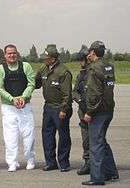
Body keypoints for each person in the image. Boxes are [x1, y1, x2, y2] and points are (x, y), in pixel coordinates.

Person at [82, 41, 119, 186]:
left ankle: (97, 178)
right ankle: (111, 172)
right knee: (102, 141)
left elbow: (95, 93)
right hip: (109, 109)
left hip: (98, 112)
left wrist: (90, 111)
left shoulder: (94, 68)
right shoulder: (109, 66)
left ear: (93, 52)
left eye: (89, 52)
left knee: (95, 144)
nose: (88, 54)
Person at [0, 44, 36, 172]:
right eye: (9, 53)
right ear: (5, 55)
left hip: (25, 106)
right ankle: (12, 162)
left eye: (14, 53)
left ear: (17, 53)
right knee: (10, 137)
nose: (12, 55)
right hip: (9, 108)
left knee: (29, 135)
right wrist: (12, 99)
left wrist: (23, 97)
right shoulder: (0, 69)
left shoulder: (26, 66)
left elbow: (31, 83)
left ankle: (30, 159)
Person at [35, 44, 72, 172]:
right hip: (48, 107)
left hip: (60, 108)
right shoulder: (43, 69)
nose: (44, 59)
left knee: (63, 136)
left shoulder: (63, 72)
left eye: (46, 57)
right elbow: (36, 83)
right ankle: (50, 162)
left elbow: (67, 94)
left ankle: (64, 163)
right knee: (47, 135)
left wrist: (64, 110)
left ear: (53, 58)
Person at [72, 45, 90, 175]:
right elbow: (74, 91)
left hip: (93, 112)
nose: (81, 63)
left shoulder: (94, 72)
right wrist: (80, 100)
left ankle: (103, 166)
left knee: (97, 140)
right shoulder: (81, 74)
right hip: (82, 112)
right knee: (86, 140)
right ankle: (88, 163)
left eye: (82, 60)